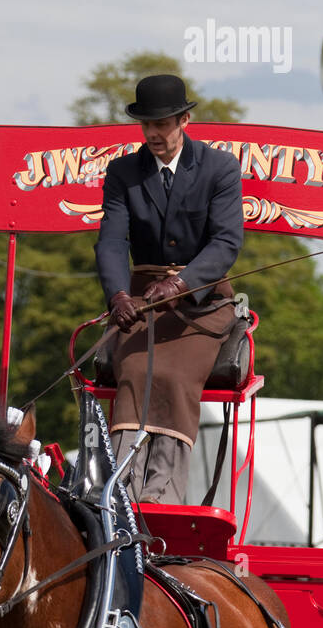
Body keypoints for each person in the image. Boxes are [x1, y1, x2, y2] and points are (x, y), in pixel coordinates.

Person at [95, 73, 244, 503]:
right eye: (146, 125)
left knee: (172, 373)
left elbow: (226, 242)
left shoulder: (220, 168)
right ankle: (122, 491)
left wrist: (180, 283)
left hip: (203, 301)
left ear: (184, 120)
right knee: (136, 370)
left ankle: (163, 495)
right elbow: (111, 240)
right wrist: (118, 296)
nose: (153, 134)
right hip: (140, 300)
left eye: (162, 124)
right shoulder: (123, 172)